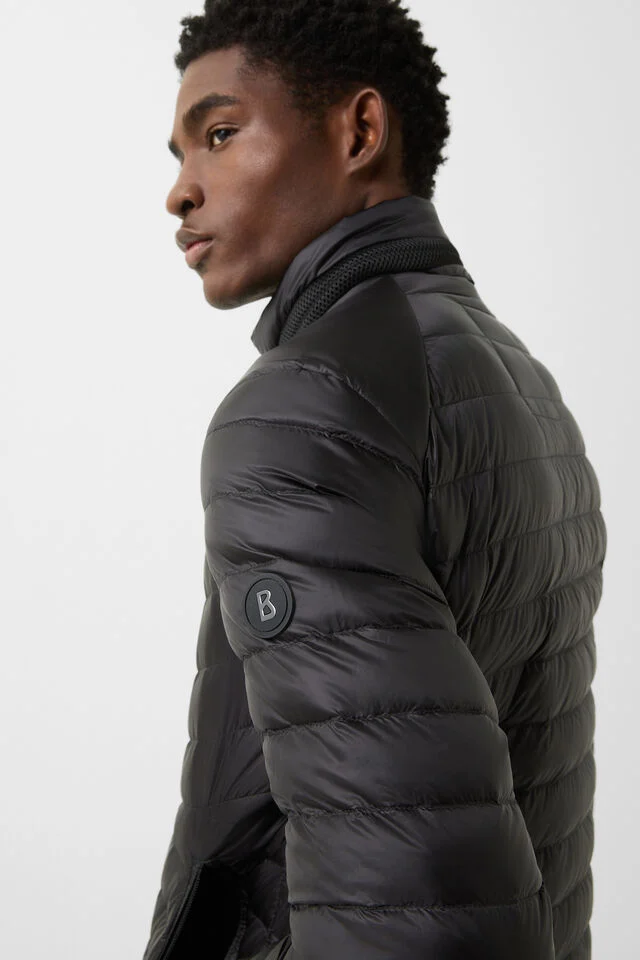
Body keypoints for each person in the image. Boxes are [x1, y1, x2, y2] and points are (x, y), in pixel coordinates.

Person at [143, 2, 607, 959]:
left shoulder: (305, 406)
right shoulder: (519, 383)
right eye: (180, 153)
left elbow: (409, 877)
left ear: (358, 132)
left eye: (219, 134)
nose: (180, 191)